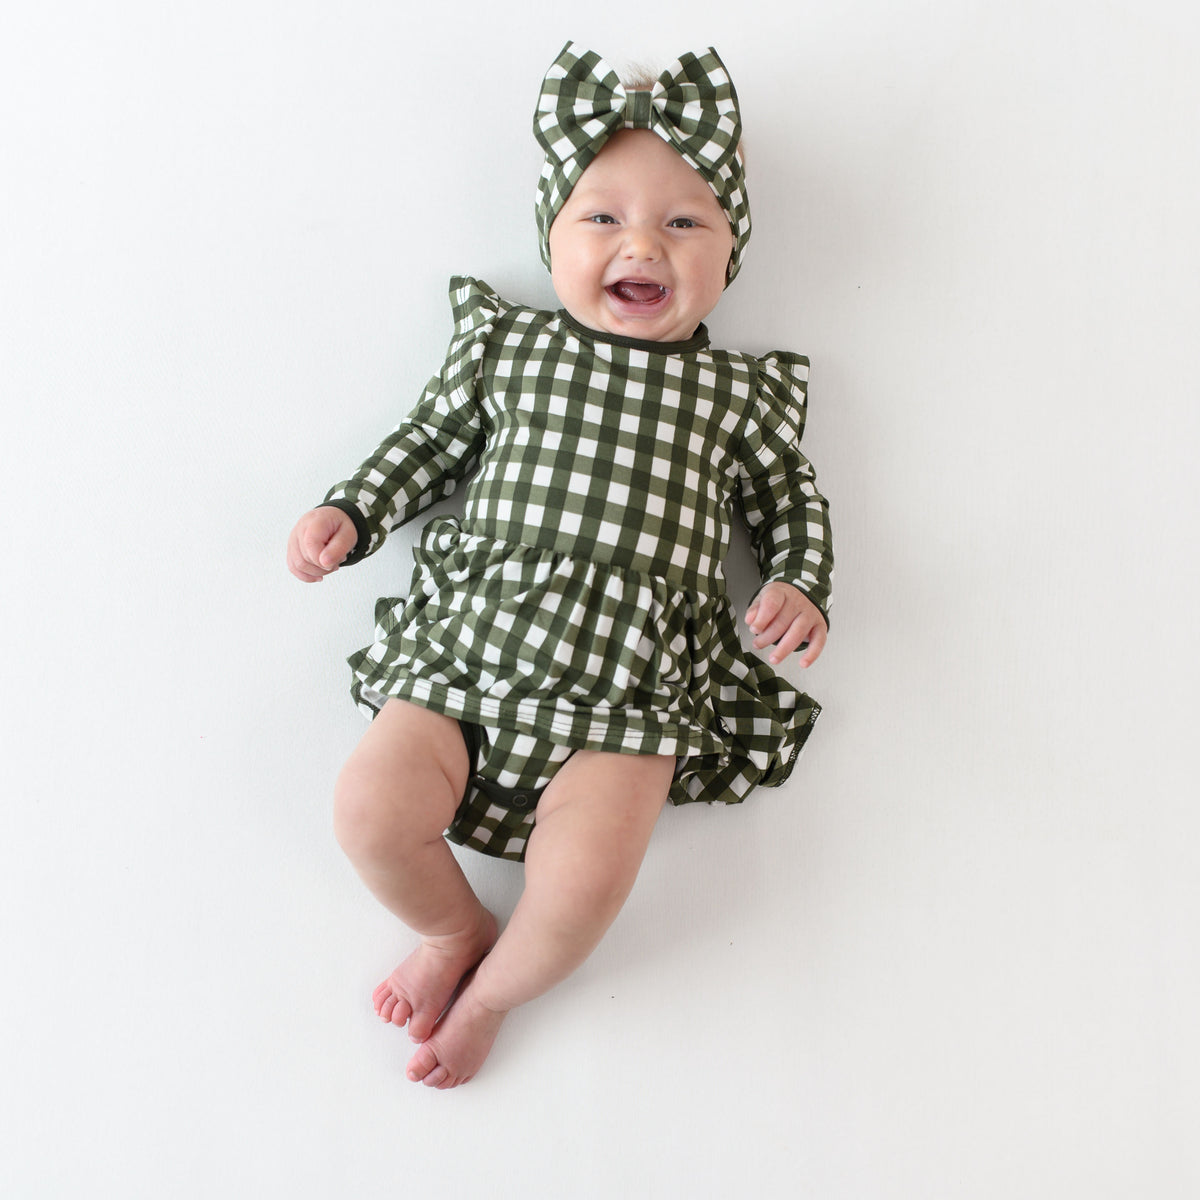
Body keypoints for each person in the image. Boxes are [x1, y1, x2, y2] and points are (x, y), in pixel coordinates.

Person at [286, 42, 833, 1089]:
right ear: (552, 235)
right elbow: (432, 442)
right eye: (603, 218)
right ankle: (452, 930)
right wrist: (354, 509)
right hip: (475, 646)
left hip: (632, 684)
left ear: (731, 251)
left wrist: (798, 581)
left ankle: (493, 994)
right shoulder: (512, 348)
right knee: (368, 809)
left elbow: (790, 501)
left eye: (685, 223)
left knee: (583, 884)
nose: (644, 243)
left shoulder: (735, 397)